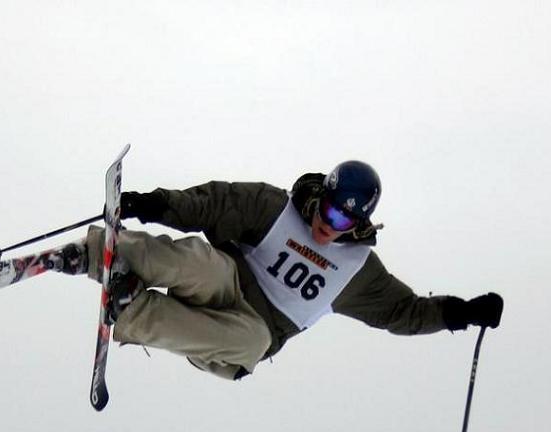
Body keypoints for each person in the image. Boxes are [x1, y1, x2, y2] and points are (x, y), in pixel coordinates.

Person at [50, 161, 503, 382]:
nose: (328, 226)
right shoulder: (274, 208)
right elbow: (214, 204)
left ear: (359, 225)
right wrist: (156, 204)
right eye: (328, 211)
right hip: (227, 281)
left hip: (243, 334)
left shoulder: (358, 271)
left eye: (344, 222)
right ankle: (91, 254)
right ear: (321, 195)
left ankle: (131, 310)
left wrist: (461, 313)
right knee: (204, 264)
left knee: (253, 341)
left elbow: (404, 312)